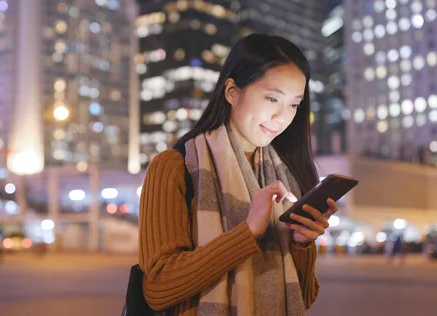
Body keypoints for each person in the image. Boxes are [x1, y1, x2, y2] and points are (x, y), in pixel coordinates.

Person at [138, 34, 338, 315]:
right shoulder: (174, 167)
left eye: (294, 104)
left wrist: (302, 243)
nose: (282, 117)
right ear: (232, 91)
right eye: (272, 98)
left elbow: (301, 299)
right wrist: (247, 233)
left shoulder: (287, 177)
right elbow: (158, 288)